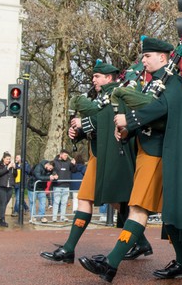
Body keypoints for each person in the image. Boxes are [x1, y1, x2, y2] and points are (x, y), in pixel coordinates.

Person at [80, 39, 182, 282]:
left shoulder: (173, 82)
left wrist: (129, 121)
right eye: (143, 56)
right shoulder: (154, 83)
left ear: (163, 57)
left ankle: (111, 263)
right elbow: (153, 113)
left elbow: (161, 109)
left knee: (138, 208)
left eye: (148, 56)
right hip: (147, 150)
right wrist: (128, 130)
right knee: (169, 212)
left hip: (157, 153)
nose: (143, 60)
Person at [43, 60, 144, 263]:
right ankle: (140, 242)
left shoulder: (116, 93)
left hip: (109, 155)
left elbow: (108, 118)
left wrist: (84, 123)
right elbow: (98, 124)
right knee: (106, 201)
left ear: (108, 77)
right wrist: (78, 133)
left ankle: (70, 248)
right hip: (98, 154)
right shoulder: (101, 97)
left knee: (109, 200)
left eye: (97, 76)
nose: (93, 80)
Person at [0, 152, 16, 228]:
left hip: (9, 186)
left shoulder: (11, 166)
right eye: (7, 159)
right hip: (1, 186)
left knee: (5, 203)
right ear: (3, 159)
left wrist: (14, 168)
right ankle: (2, 219)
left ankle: (0, 218)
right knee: (3, 202)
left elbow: (15, 175)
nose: (8, 160)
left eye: (9, 159)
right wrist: (7, 167)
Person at [51, 149, 74, 222]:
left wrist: (73, 165)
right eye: (65, 155)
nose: (66, 157)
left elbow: (73, 170)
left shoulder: (69, 162)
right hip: (57, 185)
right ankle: (54, 217)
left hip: (66, 185)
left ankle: (62, 216)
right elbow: (51, 170)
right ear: (60, 154)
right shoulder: (54, 162)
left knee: (64, 202)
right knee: (56, 202)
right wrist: (54, 174)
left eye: (67, 155)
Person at [30, 158, 56, 222]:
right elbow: (38, 176)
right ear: (47, 164)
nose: (50, 170)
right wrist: (48, 178)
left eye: (51, 169)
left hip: (42, 188)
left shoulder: (49, 170)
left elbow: (53, 173)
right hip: (33, 187)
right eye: (50, 168)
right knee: (32, 202)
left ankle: (41, 216)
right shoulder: (38, 167)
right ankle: (33, 216)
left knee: (43, 202)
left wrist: (55, 176)